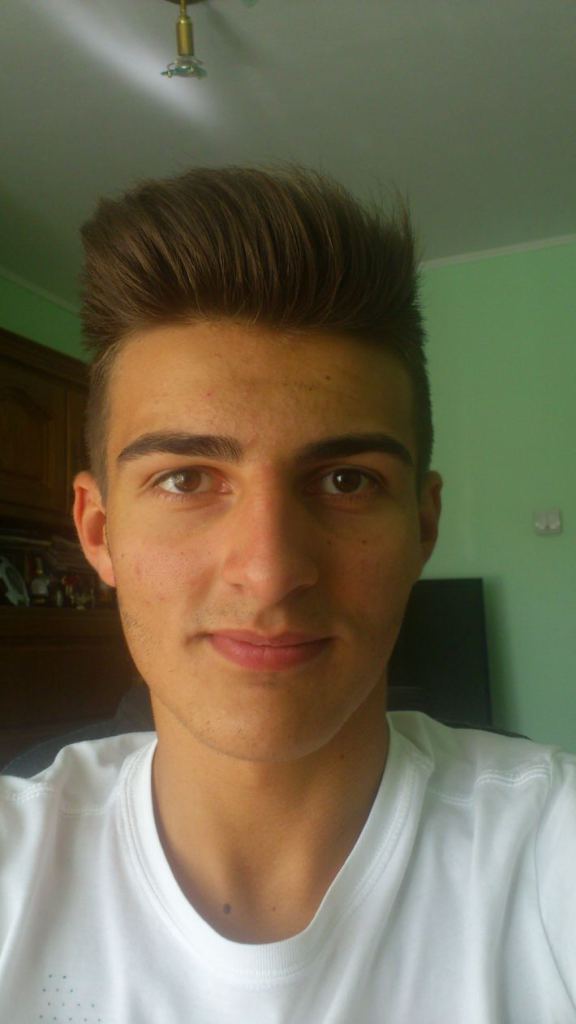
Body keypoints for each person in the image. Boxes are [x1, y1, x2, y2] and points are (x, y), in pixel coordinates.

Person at [0, 166, 574, 1022]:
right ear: (98, 530)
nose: (269, 573)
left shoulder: (551, 851)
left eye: (346, 480)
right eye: (186, 478)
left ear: (422, 527)